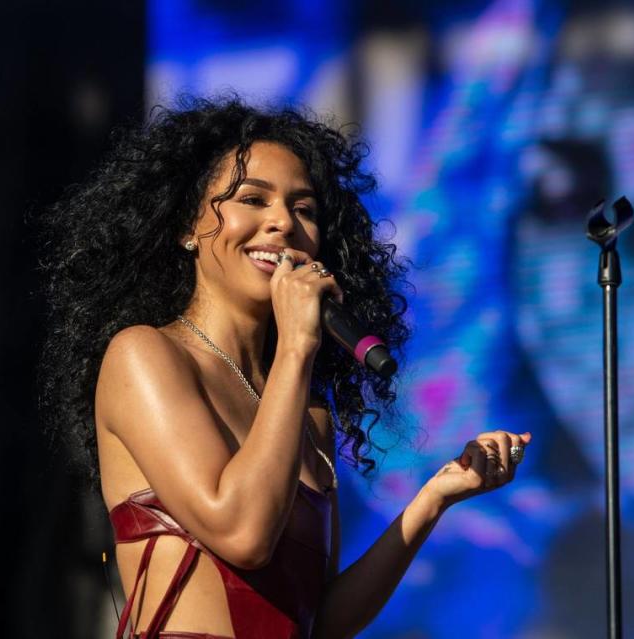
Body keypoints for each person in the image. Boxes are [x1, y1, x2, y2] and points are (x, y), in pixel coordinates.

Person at [37, 96, 532, 638]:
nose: (281, 223)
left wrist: (432, 499)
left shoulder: (307, 412)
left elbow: (321, 621)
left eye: (304, 209)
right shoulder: (146, 355)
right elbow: (243, 534)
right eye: (252, 199)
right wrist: (298, 344)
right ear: (185, 226)